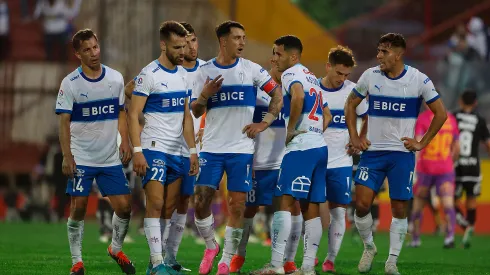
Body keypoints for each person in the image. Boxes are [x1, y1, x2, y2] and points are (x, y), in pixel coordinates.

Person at [345, 33, 448, 275]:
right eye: (379, 50)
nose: (379, 56)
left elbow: (440, 113)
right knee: (361, 205)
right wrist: (355, 136)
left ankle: (391, 261)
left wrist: (422, 143)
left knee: (399, 208)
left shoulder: (418, 80)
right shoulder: (370, 76)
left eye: (385, 51)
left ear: (399, 54)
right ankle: (369, 247)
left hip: (402, 154)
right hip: (373, 153)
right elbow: (350, 104)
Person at [190, 20, 283, 275]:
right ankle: (211, 246)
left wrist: (264, 123)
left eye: (244, 37)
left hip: (241, 149)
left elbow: (277, 94)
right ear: (223, 41)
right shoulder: (204, 71)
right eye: (237, 38)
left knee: (238, 206)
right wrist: (205, 95)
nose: (242, 42)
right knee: (200, 202)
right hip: (211, 148)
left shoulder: (252, 70)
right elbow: (195, 110)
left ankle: (225, 261)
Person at [55, 28, 135, 275]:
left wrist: (125, 141)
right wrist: (67, 157)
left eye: (95, 47)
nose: (93, 53)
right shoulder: (70, 84)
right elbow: (63, 123)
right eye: (87, 50)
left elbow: (121, 112)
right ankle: (77, 262)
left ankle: (115, 248)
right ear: (77, 53)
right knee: (78, 208)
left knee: (124, 207)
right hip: (82, 157)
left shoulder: (115, 78)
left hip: (109, 157)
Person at [251, 35, 330, 275]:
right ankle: (307, 267)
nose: (274, 58)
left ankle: (275, 266)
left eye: (278, 53)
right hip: (319, 146)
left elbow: (297, 97)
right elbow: (327, 116)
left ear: (292, 56)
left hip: (301, 148)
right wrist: (313, 132)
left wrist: (292, 129)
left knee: (284, 201)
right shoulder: (311, 76)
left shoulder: (290, 74)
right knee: (311, 207)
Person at [128, 21, 198, 275]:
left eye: (184, 46)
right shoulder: (149, 75)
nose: (183, 51)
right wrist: (137, 151)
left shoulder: (183, 74)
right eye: (177, 47)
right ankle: (157, 263)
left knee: (170, 207)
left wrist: (192, 151)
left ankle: (158, 262)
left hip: (178, 151)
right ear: (163, 45)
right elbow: (134, 113)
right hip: (153, 147)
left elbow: (187, 116)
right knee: (155, 203)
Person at [229, 57, 301, 274]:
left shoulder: (294, 93)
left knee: (290, 207)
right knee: (248, 209)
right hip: (256, 162)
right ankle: (238, 256)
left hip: (282, 163)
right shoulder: (256, 91)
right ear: (273, 61)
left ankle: (287, 261)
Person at [318, 45, 368, 273]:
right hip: (314, 159)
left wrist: (359, 138)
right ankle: (309, 256)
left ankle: (330, 259)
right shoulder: (312, 89)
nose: (342, 79)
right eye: (339, 73)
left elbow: (368, 118)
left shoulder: (353, 91)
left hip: (341, 162)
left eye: (346, 75)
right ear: (328, 66)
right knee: (310, 211)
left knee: (339, 210)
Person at [161, 21, 205, 272]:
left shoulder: (206, 70)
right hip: (167, 146)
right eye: (185, 41)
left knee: (184, 199)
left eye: (194, 39)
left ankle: (171, 256)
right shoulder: (166, 70)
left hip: (193, 148)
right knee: (165, 201)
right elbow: (133, 90)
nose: (191, 46)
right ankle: (157, 254)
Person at [409, 104, 460, 248]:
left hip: (426, 168)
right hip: (445, 168)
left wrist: (414, 168)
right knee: (448, 203)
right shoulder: (450, 118)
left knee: (418, 204)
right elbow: (457, 147)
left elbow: (418, 143)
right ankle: (449, 237)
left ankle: (415, 239)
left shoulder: (424, 118)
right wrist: (450, 161)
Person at [454, 90, 490, 248]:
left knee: (451, 200)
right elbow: (488, 144)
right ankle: (471, 227)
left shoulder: (453, 117)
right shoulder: (480, 120)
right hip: (474, 167)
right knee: (471, 200)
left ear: (460, 101)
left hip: (456, 166)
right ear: (475, 103)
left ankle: (464, 225)